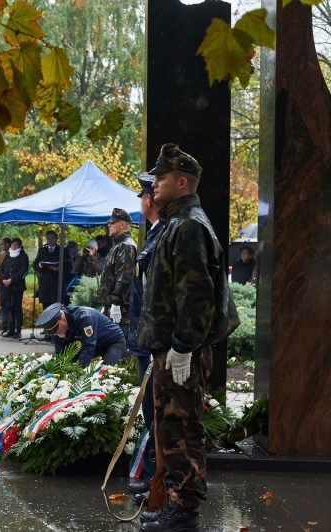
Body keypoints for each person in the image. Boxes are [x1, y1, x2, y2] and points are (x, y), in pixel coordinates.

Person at [137, 143, 239, 532]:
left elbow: (196, 297)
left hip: (183, 352)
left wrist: (183, 347)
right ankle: (178, 503)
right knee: (169, 428)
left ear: (182, 182)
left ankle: (185, 511)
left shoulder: (189, 225)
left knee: (182, 428)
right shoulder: (176, 223)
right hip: (171, 349)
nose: (154, 184)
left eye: (160, 178)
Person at [125, 173, 165, 500]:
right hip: (145, 342)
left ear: (149, 200)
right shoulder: (153, 234)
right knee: (151, 413)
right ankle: (153, 480)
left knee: (157, 413)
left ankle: (157, 482)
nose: (141, 201)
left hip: (155, 345)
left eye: (142, 196)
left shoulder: (162, 235)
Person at [36, 303, 125, 367]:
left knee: (104, 371)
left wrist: (78, 370)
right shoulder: (54, 327)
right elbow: (61, 352)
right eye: (51, 332)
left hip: (111, 342)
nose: (54, 334)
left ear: (63, 319)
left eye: (55, 330)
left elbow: (89, 346)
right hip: (91, 344)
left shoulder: (85, 317)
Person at [98, 208, 138, 339]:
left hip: (121, 308)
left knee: (120, 346)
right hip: (113, 305)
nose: (109, 225)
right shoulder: (119, 245)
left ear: (122, 224)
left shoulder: (126, 246)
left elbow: (124, 277)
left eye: (112, 222)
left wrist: (115, 302)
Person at [0, 238, 28, 339]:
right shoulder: (8, 256)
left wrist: (12, 279)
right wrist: (3, 279)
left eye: (16, 245)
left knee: (17, 308)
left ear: (19, 246)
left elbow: (23, 271)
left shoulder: (23, 256)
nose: (13, 247)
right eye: (12, 245)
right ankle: (10, 329)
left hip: (17, 286)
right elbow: (1, 269)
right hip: (7, 286)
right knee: (9, 308)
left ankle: (18, 329)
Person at [33, 230, 61, 337]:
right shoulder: (42, 250)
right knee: (45, 308)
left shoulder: (61, 250)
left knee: (54, 307)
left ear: (56, 239)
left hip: (55, 283)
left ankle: (54, 331)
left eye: (52, 238)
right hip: (44, 283)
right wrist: (39, 266)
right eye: (48, 238)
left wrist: (58, 268)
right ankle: (46, 330)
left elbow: (67, 265)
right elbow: (35, 264)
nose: (50, 240)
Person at [0, 237, 11, 336]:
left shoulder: (12, 255)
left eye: (3, 244)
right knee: (3, 306)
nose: (1, 246)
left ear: (8, 244)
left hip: (7, 284)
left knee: (8, 307)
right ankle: (4, 327)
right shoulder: (1, 255)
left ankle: (10, 327)